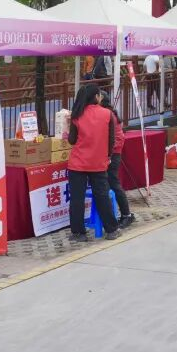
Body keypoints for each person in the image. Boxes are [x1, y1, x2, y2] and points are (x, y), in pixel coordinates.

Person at [67, 83, 121, 242]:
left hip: (77, 163)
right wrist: (108, 156)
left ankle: (79, 233)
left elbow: (72, 140)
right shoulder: (107, 114)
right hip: (98, 163)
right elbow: (111, 140)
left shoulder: (76, 115)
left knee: (77, 198)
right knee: (102, 196)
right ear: (96, 97)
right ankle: (111, 230)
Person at [100, 92, 134, 228]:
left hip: (112, 154)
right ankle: (116, 214)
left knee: (113, 183)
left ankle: (126, 214)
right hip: (112, 153)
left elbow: (115, 138)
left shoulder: (108, 115)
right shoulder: (109, 113)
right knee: (111, 183)